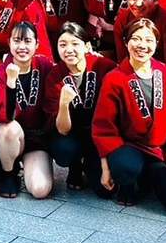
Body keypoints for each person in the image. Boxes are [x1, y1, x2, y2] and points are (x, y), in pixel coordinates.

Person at [91, 18, 166, 214]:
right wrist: (105, 168)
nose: (142, 45)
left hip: (157, 151)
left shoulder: (164, 71)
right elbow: (104, 126)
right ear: (126, 41)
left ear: (156, 44)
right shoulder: (115, 77)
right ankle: (128, 182)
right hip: (127, 147)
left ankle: (145, 178)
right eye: (136, 39)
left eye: (149, 40)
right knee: (126, 167)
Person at [45, 22, 115, 192]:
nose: (69, 50)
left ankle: (91, 163)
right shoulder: (55, 75)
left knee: (104, 191)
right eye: (63, 45)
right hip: (71, 133)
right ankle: (75, 165)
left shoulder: (104, 66)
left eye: (75, 44)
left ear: (87, 46)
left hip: (98, 135)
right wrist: (63, 103)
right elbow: (62, 129)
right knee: (64, 150)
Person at [0, 22, 55, 199]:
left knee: (40, 190)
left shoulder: (44, 66)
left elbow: (66, 73)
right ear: (9, 43)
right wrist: (11, 83)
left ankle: (32, 165)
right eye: (17, 41)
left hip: (36, 139)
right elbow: (3, 117)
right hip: (10, 136)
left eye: (27, 41)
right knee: (8, 128)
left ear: (36, 45)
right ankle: (8, 173)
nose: (22, 47)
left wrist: (87, 56)